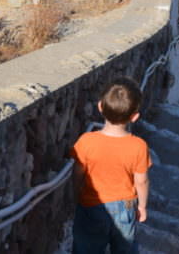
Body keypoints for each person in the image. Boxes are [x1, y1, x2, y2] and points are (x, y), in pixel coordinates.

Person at [71, 77, 151, 254]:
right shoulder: (138, 146)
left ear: (100, 106)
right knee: (124, 248)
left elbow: (77, 174)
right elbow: (142, 181)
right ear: (135, 117)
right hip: (125, 206)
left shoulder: (86, 141)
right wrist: (142, 206)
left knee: (86, 248)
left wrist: (76, 194)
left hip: (91, 204)